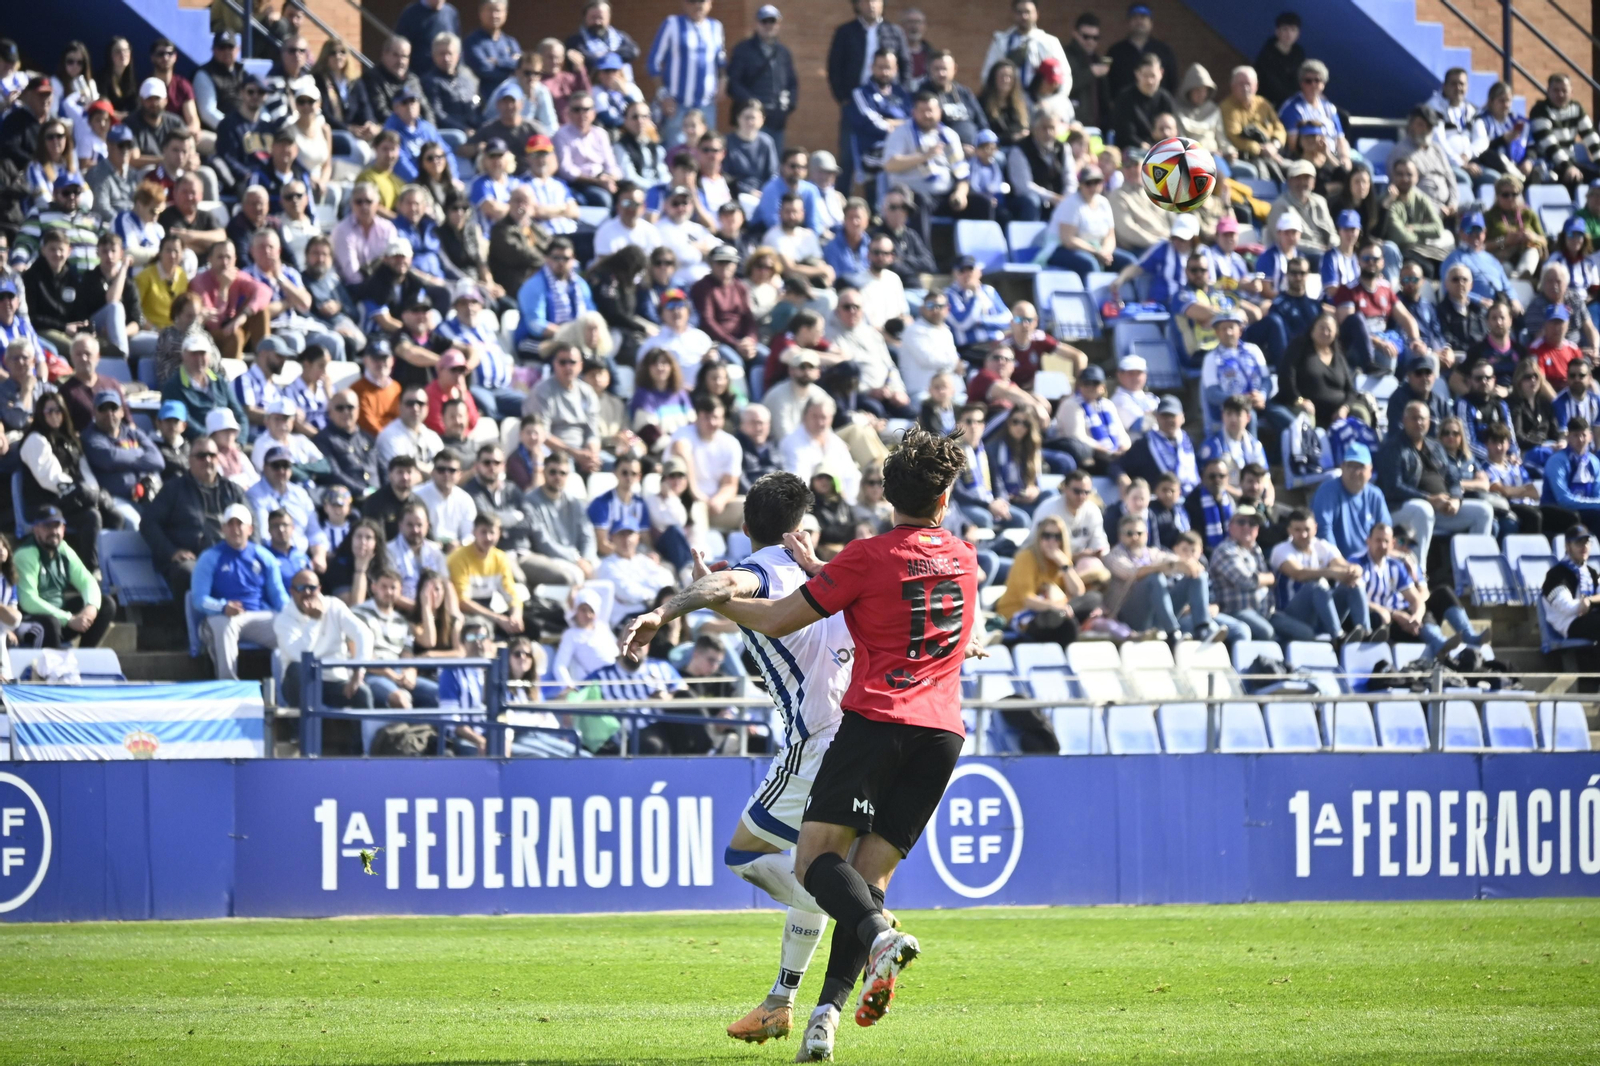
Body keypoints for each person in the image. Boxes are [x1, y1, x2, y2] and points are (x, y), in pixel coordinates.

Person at [625, 429, 973, 1059]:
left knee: (801, 862)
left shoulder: (847, 560)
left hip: (855, 728)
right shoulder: (963, 559)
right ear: (943, 500)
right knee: (864, 876)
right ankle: (819, 1017)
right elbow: (892, 603)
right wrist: (818, 568)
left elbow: (753, 603)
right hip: (943, 733)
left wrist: (675, 610)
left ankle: (857, 943)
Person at [1377, 400, 1496, 564]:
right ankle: (1419, 575)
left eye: (1423, 419)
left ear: (1429, 421)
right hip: (1402, 508)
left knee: (1483, 511)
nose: (1419, 422)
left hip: (1441, 507)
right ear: (1404, 421)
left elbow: (1453, 477)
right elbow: (1393, 487)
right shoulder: (1393, 448)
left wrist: (1455, 499)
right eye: (1414, 418)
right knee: (1423, 509)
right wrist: (1429, 499)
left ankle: (1473, 576)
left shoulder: (1435, 446)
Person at [190, 503, 285, 679]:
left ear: (250, 529)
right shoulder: (209, 557)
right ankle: (229, 686)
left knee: (291, 626)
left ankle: (290, 691)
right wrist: (223, 607)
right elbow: (198, 599)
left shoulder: (263, 556)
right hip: (222, 617)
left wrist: (295, 614)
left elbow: (278, 595)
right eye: (230, 524)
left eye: (239, 524)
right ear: (223, 528)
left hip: (257, 617)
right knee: (225, 625)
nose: (235, 529)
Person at [1104, 513, 1219, 640]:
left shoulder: (1153, 553)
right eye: (1129, 533)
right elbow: (1133, 573)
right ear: (1120, 536)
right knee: (1154, 577)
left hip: (1157, 616)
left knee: (1197, 575)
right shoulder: (1114, 555)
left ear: (1146, 535)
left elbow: (1173, 560)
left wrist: (1188, 565)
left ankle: (1202, 629)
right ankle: (1173, 632)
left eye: (1139, 533)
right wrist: (1165, 566)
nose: (1135, 537)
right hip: (1128, 619)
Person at [276, 568, 374, 710]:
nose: (307, 592)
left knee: (362, 694)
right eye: (301, 588)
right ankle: (301, 732)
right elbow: (300, 655)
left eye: (312, 588)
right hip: (300, 682)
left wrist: (358, 673)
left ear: (319, 589)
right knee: (297, 669)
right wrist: (314, 620)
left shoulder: (335, 606)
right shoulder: (283, 619)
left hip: (334, 681)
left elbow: (364, 634)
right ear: (292, 591)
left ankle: (365, 733)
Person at [648, 0, 727, 124]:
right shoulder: (672, 24)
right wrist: (663, 96)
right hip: (676, 105)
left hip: (707, 105)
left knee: (707, 143)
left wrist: (723, 82)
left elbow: (721, 61)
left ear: (710, 3)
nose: (697, 5)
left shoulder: (716, 27)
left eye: (701, 1)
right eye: (692, 1)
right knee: (675, 143)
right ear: (684, 4)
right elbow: (653, 62)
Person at [1529, 73, 1600, 189]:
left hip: (1571, 162)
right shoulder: (1540, 111)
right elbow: (1550, 146)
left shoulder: (1576, 108)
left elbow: (1592, 138)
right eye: (1555, 90)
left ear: (1571, 92)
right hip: (1549, 164)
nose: (1560, 94)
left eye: (1564, 90)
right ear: (1548, 91)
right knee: (1575, 179)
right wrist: (1568, 167)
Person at [1541, 416, 1600, 535]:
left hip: (1584, 510)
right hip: (1556, 511)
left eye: (1583, 435)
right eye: (1575, 435)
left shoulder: (1594, 462)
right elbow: (1563, 500)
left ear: (1590, 437)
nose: (1580, 440)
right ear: (1568, 437)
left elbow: (1597, 494)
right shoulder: (1557, 461)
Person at [1543, 525, 1600, 644]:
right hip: (1569, 623)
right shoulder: (1556, 574)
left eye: (1587, 542)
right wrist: (1587, 604)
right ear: (1568, 546)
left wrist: (1589, 601)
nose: (1584, 547)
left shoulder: (1592, 572)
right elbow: (1567, 608)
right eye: (1579, 542)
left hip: (1590, 618)